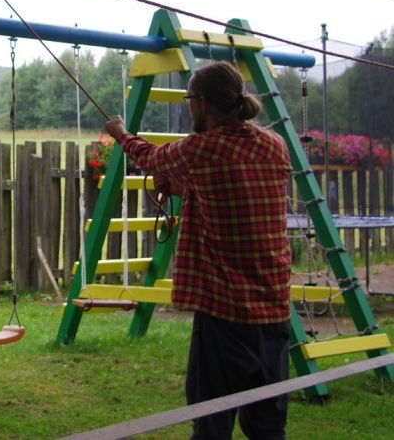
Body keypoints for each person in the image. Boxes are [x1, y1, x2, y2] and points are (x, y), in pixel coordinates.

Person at [105, 61, 292, 440]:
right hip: (274, 305)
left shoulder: (203, 147)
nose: (188, 106)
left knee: (211, 420)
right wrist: (183, 188)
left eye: (190, 99)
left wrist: (120, 133)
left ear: (203, 103)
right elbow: (232, 190)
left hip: (225, 309)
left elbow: (150, 158)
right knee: (268, 426)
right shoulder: (274, 144)